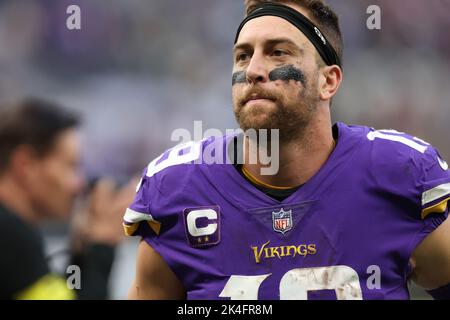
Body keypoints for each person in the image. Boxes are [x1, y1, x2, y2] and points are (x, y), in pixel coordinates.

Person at [124, 0, 450, 300]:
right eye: (243, 55)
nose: (253, 70)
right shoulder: (179, 190)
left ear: (329, 82)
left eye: (278, 52)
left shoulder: (397, 175)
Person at [0, 98, 135, 299]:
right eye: (71, 166)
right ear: (25, 166)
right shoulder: (10, 234)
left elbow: (57, 294)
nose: (79, 184)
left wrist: (82, 251)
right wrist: (103, 244)